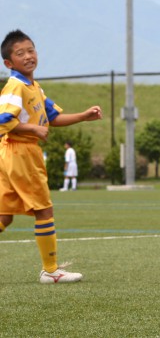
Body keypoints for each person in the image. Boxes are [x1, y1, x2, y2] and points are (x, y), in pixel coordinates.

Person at [0, 29, 102, 283]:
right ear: (8, 63)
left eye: (31, 50)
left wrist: (83, 116)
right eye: (20, 53)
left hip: (12, 153)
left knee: (4, 215)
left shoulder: (34, 87)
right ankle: (51, 270)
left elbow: (53, 117)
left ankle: (51, 269)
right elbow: (3, 120)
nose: (28, 56)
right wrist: (32, 129)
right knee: (44, 210)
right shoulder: (16, 86)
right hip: (20, 152)